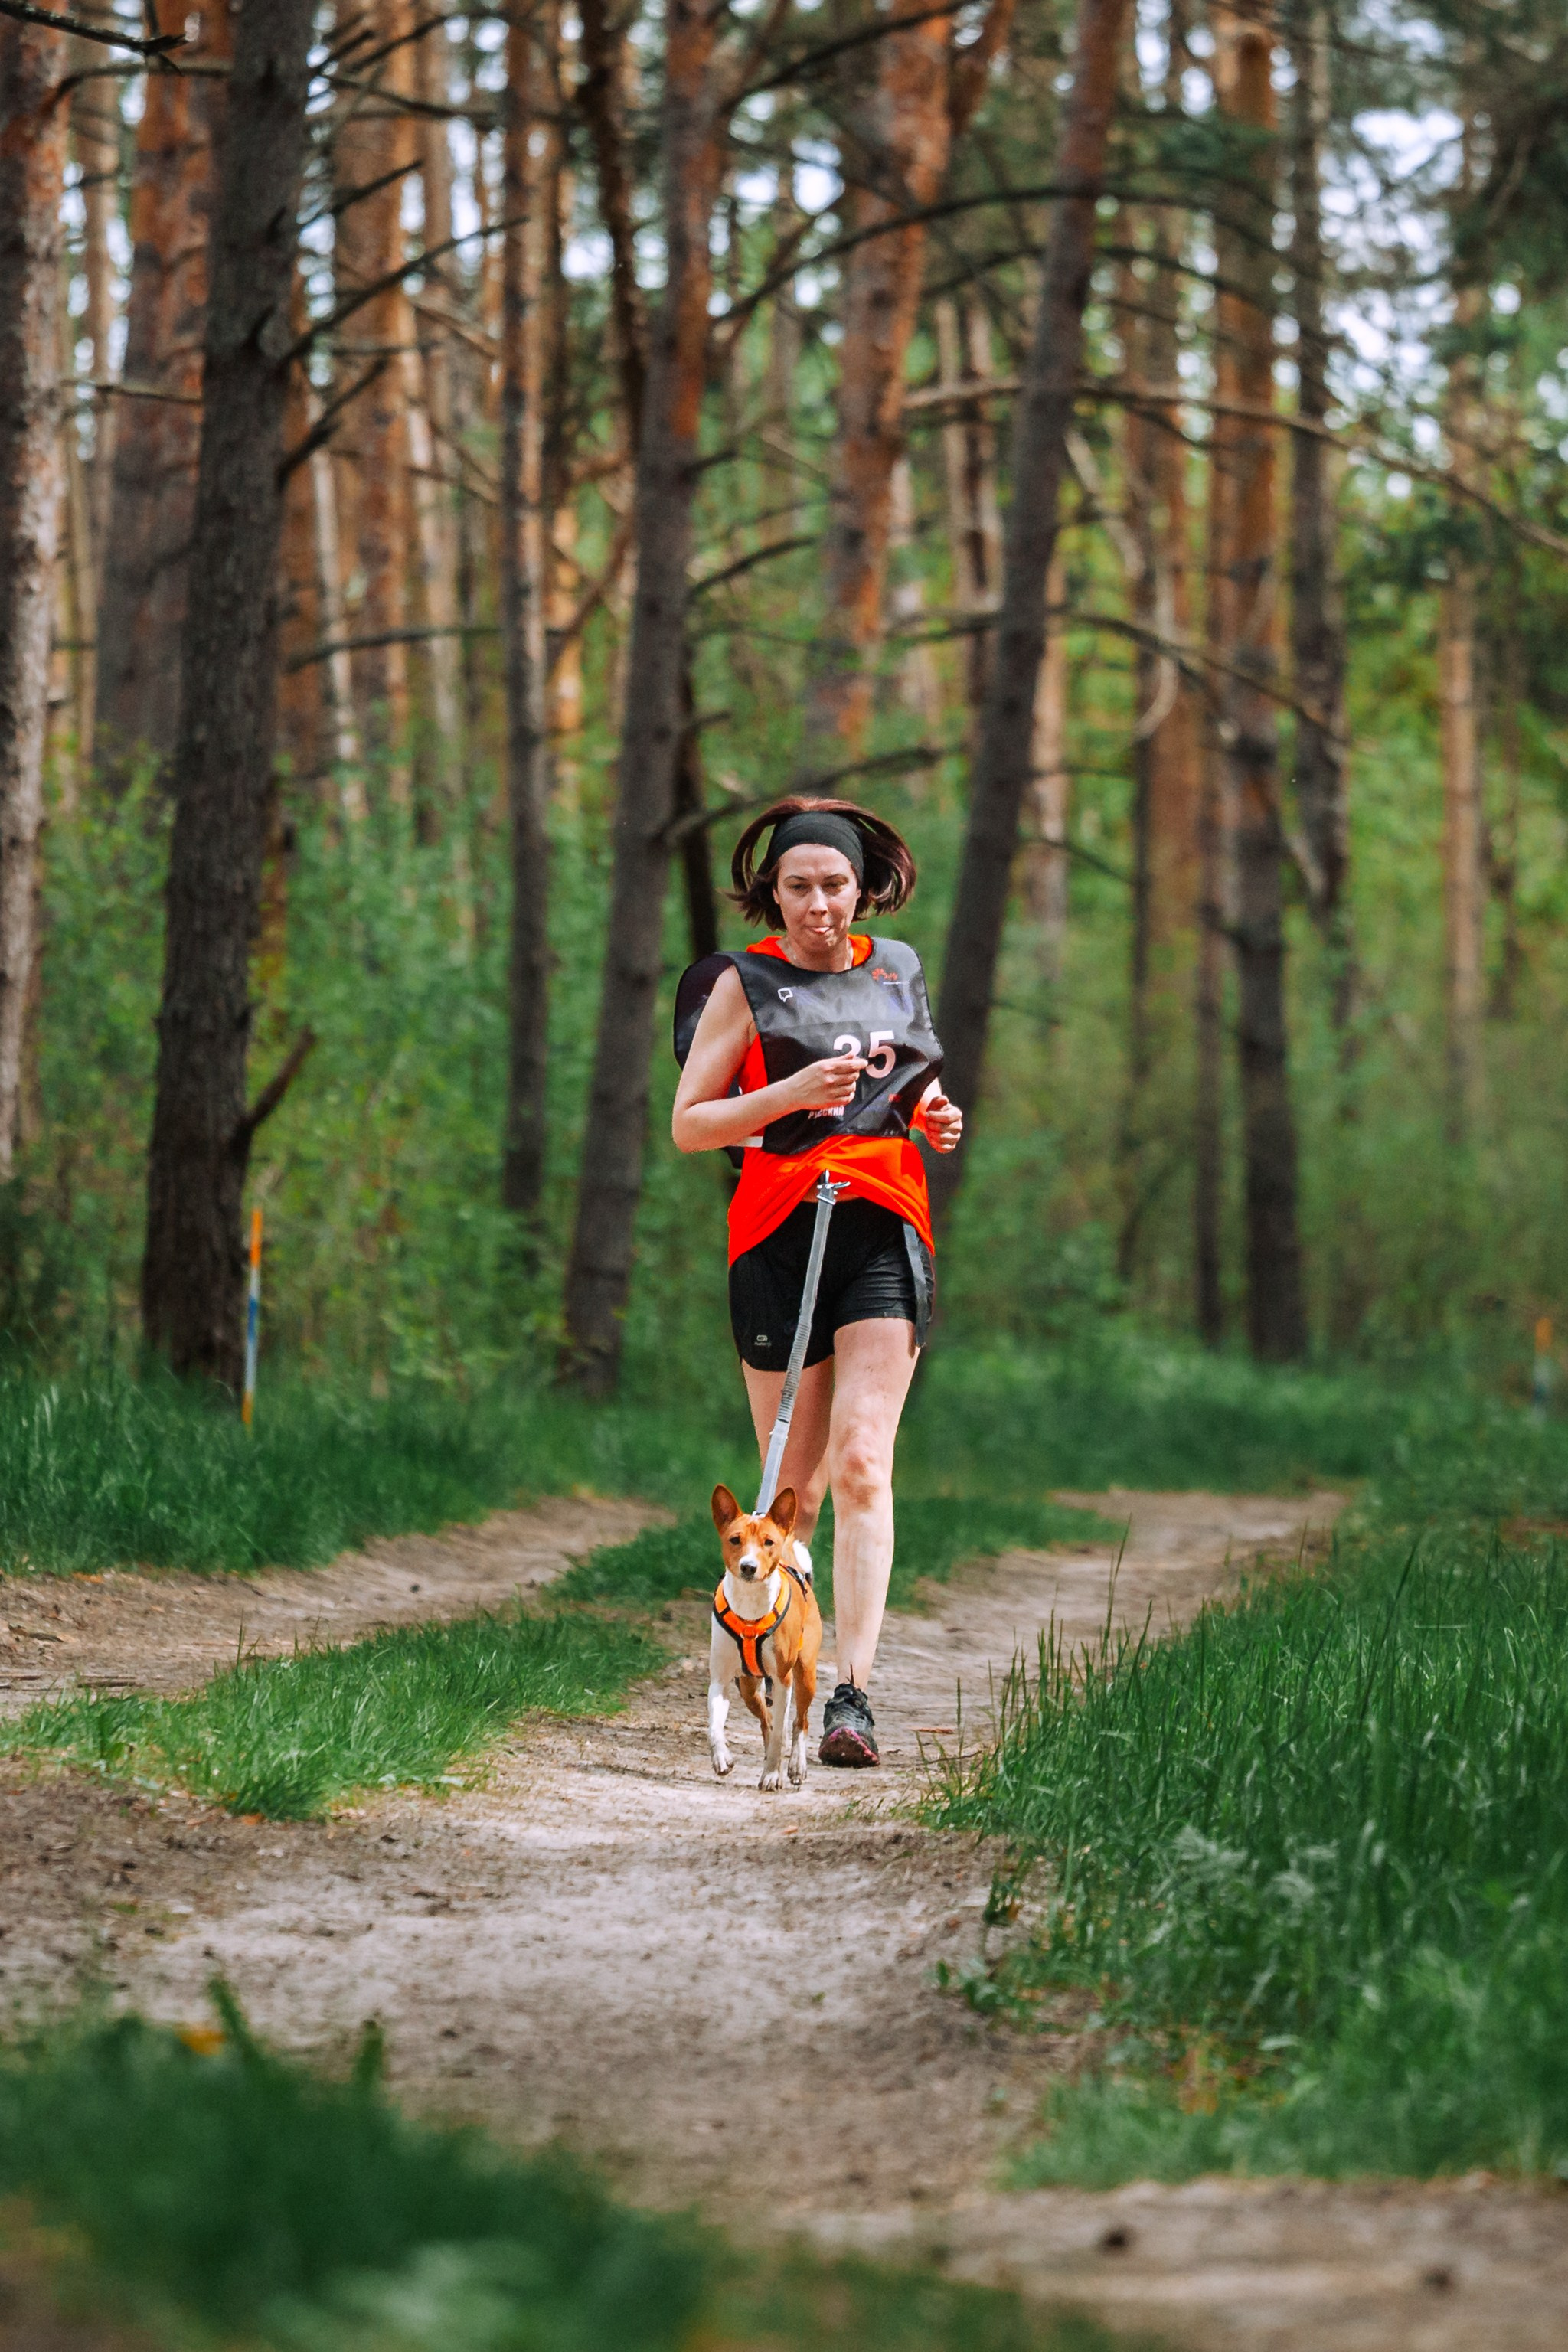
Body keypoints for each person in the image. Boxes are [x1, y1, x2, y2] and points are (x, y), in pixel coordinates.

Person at [671, 797, 962, 1766]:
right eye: (797, 887)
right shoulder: (741, 983)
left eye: (833, 885)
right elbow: (690, 1123)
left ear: (861, 887)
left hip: (882, 1220)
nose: (817, 904)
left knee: (862, 1463)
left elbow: (905, 1082)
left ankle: (851, 1697)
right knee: (789, 1485)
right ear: (774, 893)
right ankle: (775, 1663)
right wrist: (790, 1094)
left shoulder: (899, 969)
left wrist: (934, 1114)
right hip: (776, 1233)